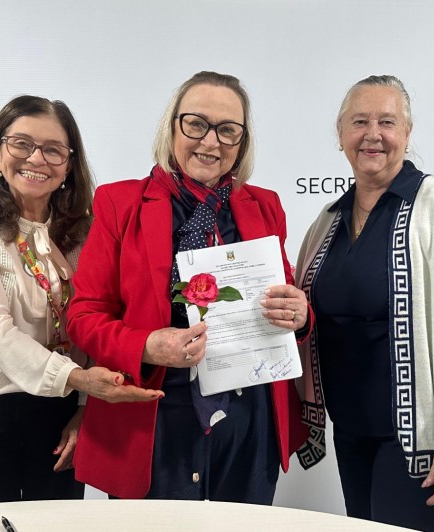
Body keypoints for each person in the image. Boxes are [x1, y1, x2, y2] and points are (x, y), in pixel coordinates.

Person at [66, 71, 310, 502]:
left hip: (248, 418)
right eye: (196, 123)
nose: (210, 142)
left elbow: (287, 301)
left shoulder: (266, 206)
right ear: (172, 125)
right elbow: (84, 317)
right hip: (156, 416)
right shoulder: (118, 203)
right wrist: (145, 344)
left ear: (242, 141)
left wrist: (300, 314)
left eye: (228, 130)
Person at [294, 75, 434, 531]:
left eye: (387, 121)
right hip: (354, 435)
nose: (372, 134)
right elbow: (312, 321)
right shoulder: (328, 221)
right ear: (341, 135)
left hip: (428, 444)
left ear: (407, 134)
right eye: (359, 121)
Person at [0, 95, 163, 505]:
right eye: (22, 143)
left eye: (54, 150)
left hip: (61, 411)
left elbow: (102, 320)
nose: (37, 159)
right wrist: (79, 381)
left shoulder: (90, 232)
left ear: (69, 165)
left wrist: (84, 408)